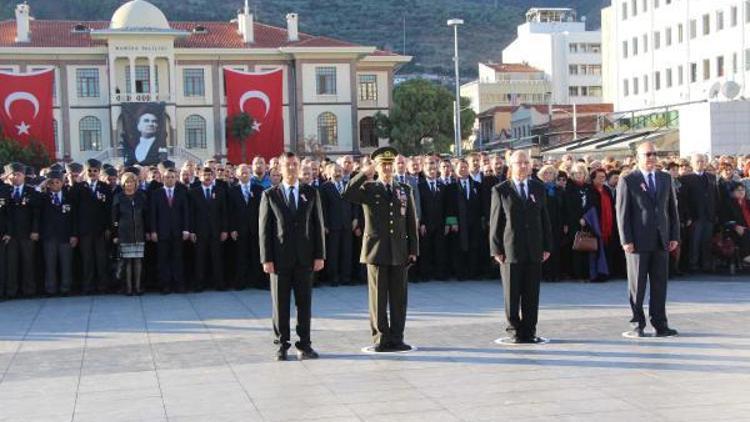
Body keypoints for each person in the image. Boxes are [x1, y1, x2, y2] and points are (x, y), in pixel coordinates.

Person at [342, 146, 419, 352]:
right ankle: (381, 338)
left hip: (399, 250)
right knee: (378, 298)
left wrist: (413, 249)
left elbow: (411, 220)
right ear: (376, 167)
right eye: (382, 165)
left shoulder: (404, 189)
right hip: (376, 250)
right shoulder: (369, 189)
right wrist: (364, 173)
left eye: (389, 164)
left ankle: (397, 336)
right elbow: (347, 192)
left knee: (399, 297)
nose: (386, 168)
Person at [259, 152, 325, 361]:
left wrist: (319, 255)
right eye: (287, 165)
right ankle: (282, 345)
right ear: (279, 168)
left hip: (305, 259)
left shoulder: (311, 192)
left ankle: (304, 345)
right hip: (279, 260)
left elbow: (317, 226)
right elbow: (264, 230)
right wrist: (266, 259)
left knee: (304, 304)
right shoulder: (270, 194)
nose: (291, 168)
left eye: (294, 164)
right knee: (280, 305)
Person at [616, 141, 680, 337]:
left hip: (661, 240)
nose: (651, 157)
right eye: (647, 154)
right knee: (638, 286)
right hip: (638, 242)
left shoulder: (664, 178)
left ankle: (660, 323)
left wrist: (674, 236)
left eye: (654, 153)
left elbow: (672, 210)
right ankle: (637, 324)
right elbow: (623, 213)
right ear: (638, 158)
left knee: (660, 284)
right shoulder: (628, 180)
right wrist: (626, 239)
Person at [490, 150, 552, 344]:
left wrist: (547, 246)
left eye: (526, 162)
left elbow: (545, 219)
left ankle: (530, 330)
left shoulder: (538, 187)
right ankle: (515, 330)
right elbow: (495, 222)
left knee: (532, 293)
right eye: (519, 163)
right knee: (512, 293)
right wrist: (496, 249)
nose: (523, 166)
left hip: (534, 248)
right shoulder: (501, 190)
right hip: (510, 250)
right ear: (511, 166)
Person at [149, 168, 190, 294]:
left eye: (172, 177)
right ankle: (165, 285)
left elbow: (186, 212)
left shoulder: (182, 192)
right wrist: (153, 231)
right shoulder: (156, 193)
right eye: (167, 177)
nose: (170, 179)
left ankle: (178, 284)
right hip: (162, 232)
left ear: (176, 178)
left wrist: (186, 229)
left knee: (178, 259)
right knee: (163, 260)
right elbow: (153, 214)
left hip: (178, 232)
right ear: (162, 178)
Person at [188, 167, 228, 292]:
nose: (207, 177)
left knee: (217, 258)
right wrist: (192, 231)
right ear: (199, 176)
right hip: (200, 231)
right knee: (200, 259)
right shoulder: (193, 192)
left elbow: (224, 212)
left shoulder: (220, 191)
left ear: (213, 176)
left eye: (210, 174)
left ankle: (219, 283)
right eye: (205, 175)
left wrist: (224, 230)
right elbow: (191, 213)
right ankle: (199, 284)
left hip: (216, 231)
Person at [76, 159, 112, 294]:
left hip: (100, 230)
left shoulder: (105, 187)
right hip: (85, 230)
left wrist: (109, 227)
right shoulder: (79, 187)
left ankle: (102, 285)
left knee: (101, 259)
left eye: (95, 171)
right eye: (89, 171)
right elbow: (74, 209)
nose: (92, 173)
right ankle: (88, 286)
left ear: (99, 172)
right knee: (87, 259)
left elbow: (109, 210)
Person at [679, 153, 719, 273]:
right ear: (692, 163)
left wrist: (715, 213)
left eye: (702, 161)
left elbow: (716, 197)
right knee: (694, 242)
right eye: (698, 161)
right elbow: (684, 200)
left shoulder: (711, 177)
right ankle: (693, 264)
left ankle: (705, 264)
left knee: (706, 241)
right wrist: (688, 216)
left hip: (709, 215)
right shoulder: (686, 179)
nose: (700, 163)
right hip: (695, 215)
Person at [39, 171, 78, 296]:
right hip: (49, 236)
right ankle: (50, 289)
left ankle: (66, 288)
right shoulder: (43, 197)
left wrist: (74, 234)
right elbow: (35, 204)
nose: (55, 185)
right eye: (52, 182)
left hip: (65, 236)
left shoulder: (69, 196)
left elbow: (74, 218)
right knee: (50, 264)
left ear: (62, 183)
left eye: (57, 182)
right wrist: (42, 186)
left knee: (66, 263)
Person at [5, 162, 40, 298]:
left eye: (18, 174)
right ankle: (11, 291)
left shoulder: (31, 191)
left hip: (27, 233)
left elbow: (36, 213)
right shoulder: (5, 191)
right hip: (11, 234)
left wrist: (35, 230)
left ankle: (29, 290)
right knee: (12, 264)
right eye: (13, 175)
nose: (15, 177)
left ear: (24, 176)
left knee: (28, 262)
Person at [229, 164, 265, 290]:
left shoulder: (258, 189)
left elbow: (262, 210)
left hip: (255, 228)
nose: (245, 175)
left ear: (250, 174)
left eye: (247, 172)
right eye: (242, 173)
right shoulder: (232, 190)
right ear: (237, 175)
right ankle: (241, 282)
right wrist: (232, 228)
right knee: (241, 256)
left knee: (256, 256)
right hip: (239, 229)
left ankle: (259, 281)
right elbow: (230, 212)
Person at [112, 172, 148, 296]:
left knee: (138, 261)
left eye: (131, 181)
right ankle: (128, 288)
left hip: (138, 233)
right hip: (124, 233)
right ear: (123, 183)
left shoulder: (141, 196)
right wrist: (115, 235)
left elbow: (145, 215)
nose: (129, 184)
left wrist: (147, 231)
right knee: (127, 262)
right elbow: (114, 217)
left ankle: (137, 287)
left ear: (135, 183)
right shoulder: (119, 197)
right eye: (127, 182)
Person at [319, 163, 354, 286]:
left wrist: (354, 218)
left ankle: (346, 277)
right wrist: (325, 224)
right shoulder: (325, 187)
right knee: (333, 253)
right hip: (333, 225)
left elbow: (353, 203)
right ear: (329, 173)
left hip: (347, 224)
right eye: (335, 171)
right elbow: (323, 207)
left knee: (347, 252)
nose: (338, 173)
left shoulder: (347, 185)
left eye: (340, 170)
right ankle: (333, 278)